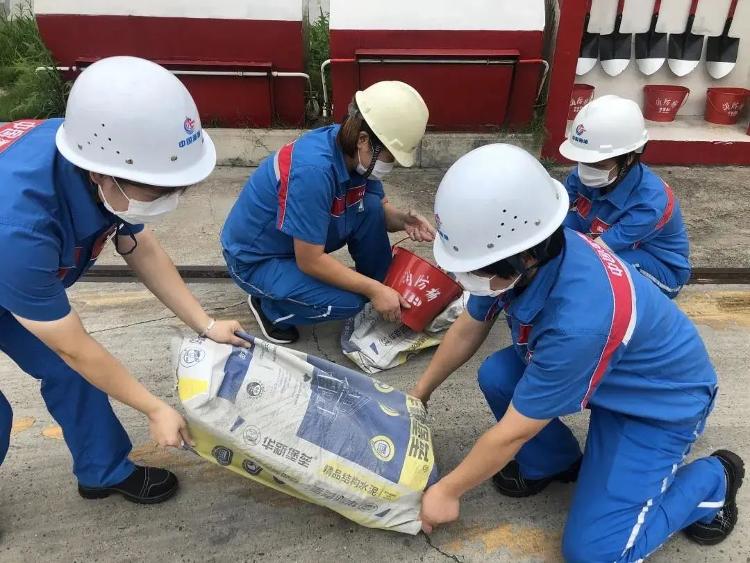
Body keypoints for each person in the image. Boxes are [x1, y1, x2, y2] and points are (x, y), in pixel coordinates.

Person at [411, 144, 742, 561]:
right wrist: (420, 393)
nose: (467, 277)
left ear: (526, 257)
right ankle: (555, 462)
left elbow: (515, 430)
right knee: (498, 375)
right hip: (609, 372)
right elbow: (469, 328)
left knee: (596, 554)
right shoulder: (528, 252)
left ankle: (714, 479)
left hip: (657, 403)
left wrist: (448, 490)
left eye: (477, 267)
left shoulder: (578, 319)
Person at [0, 56, 249, 504]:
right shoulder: (21, 226)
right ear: (100, 174)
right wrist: (154, 408)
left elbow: (139, 246)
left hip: (13, 279)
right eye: (159, 190)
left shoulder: (99, 148)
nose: (171, 200)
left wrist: (206, 325)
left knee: (71, 372)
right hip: (9, 259)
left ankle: (102, 470)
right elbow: (71, 343)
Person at [221, 81, 435, 344]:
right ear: (364, 141)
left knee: (369, 206)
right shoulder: (313, 171)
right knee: (351, 302)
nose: (389, 165)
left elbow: (377, 209)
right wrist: (372, 290)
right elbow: (309, 260)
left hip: (294, 243)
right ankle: (270, 308)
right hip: (257, 259)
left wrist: (402, 220)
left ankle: (383, 288)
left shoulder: (351, 150)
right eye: (389, 157)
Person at [559, 95, 690, 298]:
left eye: (599, 164)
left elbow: (599, 251)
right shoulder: (583, 175)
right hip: (598, 238)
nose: (586, 171)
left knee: (602, 268)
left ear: (629, 158)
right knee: (557, 229)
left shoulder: (650, 203)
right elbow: (555, 209)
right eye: (583, 161)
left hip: (658, 269)